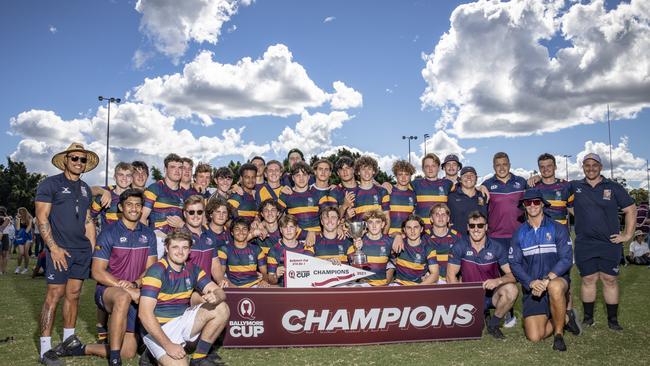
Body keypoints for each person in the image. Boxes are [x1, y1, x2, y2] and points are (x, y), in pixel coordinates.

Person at [35, 143, 99, 365]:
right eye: (74, 158)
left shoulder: (85, 189)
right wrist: (53, 248)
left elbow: (88, 220)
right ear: (65, 160)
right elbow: (41, 218)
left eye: (82, 159)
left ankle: (68, 342)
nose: (78, 163)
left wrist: (91, 249)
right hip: (59, 250)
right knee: (54, 295)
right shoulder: (50, 184)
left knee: (74, 295)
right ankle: (45, 350)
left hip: (81, 251)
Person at [83, 189, 158, 365]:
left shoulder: (148, 234)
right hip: (108, 290)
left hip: (134, 289)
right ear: (121, 207)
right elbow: (97, 272)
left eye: (138, 205)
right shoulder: (109, 232)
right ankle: (114, 359)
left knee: (129, 352)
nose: (134, 208)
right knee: (123, 297)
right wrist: (125, 287)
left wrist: (135, 283)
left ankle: (82, 348)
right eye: (129, 204)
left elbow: (151, 268)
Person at [139, 230, 230, 365]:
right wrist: (168, 345)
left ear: (190, 250)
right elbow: (144, 314)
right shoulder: (156, 271)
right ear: (166, 248)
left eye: (185, 247)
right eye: (175, 247)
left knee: (221, 308)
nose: (180, 252)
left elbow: (219, 291)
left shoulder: (193, 269)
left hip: (181, 321)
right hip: (159, 329)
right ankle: (151, 353)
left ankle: (198, 359)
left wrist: (216, 297)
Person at [569, 153, 636, 330]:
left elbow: (630, 209)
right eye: (587, 165)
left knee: (610, 279)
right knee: (588, 279)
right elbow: (556, 190)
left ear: (601, 167)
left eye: (594, 165)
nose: (591, 168)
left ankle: (613, 321)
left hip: (609, 244)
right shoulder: (575, 186)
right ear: (582, 167)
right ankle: (588, 318)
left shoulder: (613, 187)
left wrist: (627, 235)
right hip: (584, 243)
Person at [509, 189, 576, 351]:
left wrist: (547, 279)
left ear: (542, 204)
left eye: (536, 202)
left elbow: (567, 259)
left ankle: (559, 335)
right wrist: (531, 282)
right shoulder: (519, 233)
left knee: (555, 286)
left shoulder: (557, 228)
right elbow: (515, 264)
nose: (532, 205)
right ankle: (564, 317)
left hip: (554, 280)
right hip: (533, 288)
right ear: (524, 206)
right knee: (534, 336)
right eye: (528, 202)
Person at [447, 211, 518, 339]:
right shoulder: (460, 245)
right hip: (469, 296)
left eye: (480, 226)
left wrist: (498, 281)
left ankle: (493, 324)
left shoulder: (497, 247)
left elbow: (512, 275)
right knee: (473, 331)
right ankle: (481, 314)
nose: (476, 229)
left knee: (512, 290)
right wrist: (458, 300)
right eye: (472, 226)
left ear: (486, 227)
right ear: (468, 227)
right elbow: (451, 276)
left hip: (492, 295)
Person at [481, 151, 527, 328]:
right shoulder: (487, 185)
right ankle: (506, 313)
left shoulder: (521, 182)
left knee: (520, 274)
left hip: (518, 238)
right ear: (493, 166)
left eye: (504, 163)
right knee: (498, 276)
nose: (501, 167)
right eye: (498, 164)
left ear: (509, 164)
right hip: (496, 238)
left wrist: (535, 178)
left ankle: (531, 310)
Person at [278, 161, 336, 238]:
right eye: (298, 175)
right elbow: (275, 217)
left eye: (304, 175)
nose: (301, 178)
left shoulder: (318, 193)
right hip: (295, 240)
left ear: (309, 177)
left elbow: (328, 218)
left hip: (317, 239)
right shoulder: (286, 194)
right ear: (293, 178)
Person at [347, 209, 396, 286]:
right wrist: (356, 249)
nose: (374, 225)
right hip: (364, 286)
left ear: (383, 224)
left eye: (377, 222)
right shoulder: (358, 241)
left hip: (382, 286)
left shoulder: (390, 242)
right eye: (370, 222)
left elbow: (394, 263)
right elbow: (354, 273)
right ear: (366, 224)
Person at [141, 153, 186, 238]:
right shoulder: (154, 188)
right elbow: (142, 218)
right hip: (157, 240)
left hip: (177, 241)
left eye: (180, 168)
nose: (177, 171)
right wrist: (151, 237)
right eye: (173, 167)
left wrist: (182, 225)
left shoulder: (184, 193)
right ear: (165, 169)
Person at [216, 218, 269, 288]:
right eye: (237, 229)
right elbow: (221, 275)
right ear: (232, 233)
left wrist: (264, 281)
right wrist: (235, 288)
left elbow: (264, 273)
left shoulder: (256, 249)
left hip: (254, 286)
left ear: (248, 232)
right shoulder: (224, 250)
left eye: (244, 229)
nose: (241, 232)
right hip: (232, 286)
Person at [267, 215, 315, 287]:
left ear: (296, 229)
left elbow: (315, 271)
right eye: (285, 227)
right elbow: (271, 280)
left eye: (291, 227)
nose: (288, 230)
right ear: (280, 230)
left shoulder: (307, 247)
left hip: (305, 288)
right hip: (284, 291)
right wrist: (276, 275)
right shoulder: (274, 250)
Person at [411, 153, 453, 232]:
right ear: (423, 169)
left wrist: (480, 187)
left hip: (441, 231)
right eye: (427, 166)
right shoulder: (415, 184)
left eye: (433, 166)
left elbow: (465, 189)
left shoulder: (447, 184)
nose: (430, 169)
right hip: (421, 232)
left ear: (438, 168)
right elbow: (400, 187)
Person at [392, 215, 439, 285]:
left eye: (416, 227)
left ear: (421, 229)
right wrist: (397, 235)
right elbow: (387, 238)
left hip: (418, 286)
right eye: (409, 228)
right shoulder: (399, 243)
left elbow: (435, 274)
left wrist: (418, 288)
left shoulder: (428, 249)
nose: (412, 231)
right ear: (404, 230)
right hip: (399, 286)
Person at [183, 196, 221, 281]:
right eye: (191, 212)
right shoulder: (179, 236)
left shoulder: (210, 235)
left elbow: (215, 265)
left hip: (207, 288)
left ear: (203, 213)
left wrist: (221, 281)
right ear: (185, 214)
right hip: (186, 289)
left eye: (199, 212)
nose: (196, 216)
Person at [91, 162, 134, 228]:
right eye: (120, 175)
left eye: (128, 175)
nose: (124, 178)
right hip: (108, 237)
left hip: (131, 237)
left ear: (131, 179)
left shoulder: (137, 198)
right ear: (114, 177)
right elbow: (89, 218)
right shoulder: (105, 195)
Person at [447, 166, 487, 235]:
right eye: (465, 175)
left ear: (476, 179)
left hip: (478, 241)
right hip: (456, 241)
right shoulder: (451, 196)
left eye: (471, 175)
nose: (469, 177)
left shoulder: (484, 196)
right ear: (460, 179)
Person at [427, 203, 461, 284]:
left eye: (443, 214)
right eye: (437, 214)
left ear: (448, 218)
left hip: (450, 280)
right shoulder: (425, 236)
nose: (440, 217)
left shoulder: (457, 237)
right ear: (431, 219)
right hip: (431, 280)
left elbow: (463, 261)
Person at [387, 160, 416, 236]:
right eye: (400, 174)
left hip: (407, 236)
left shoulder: (413, 194)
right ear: (396, 176)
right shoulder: (388, 191)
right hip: (389, 235)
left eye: (406, 174)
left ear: (410, 176)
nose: (403, 177)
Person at [14, 206, 34, 274]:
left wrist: (24, 233)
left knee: (26, 253)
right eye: (19, 212)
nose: (20, 213)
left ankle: (26, 268)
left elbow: (28, 229)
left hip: (27, 236)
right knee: (21, 253)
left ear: (24, 212)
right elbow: (18, 229)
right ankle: (18, 267)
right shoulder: (17, 219)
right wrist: (18, 219)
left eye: (21, 212)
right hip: (20, 236)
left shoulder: (29, 218)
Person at [0, 206, 11, 275]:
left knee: (5, 254)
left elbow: (2, 227)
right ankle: (1, 270)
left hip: (5, 236)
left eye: (2, 212)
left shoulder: (7, 218)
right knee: (0, 254)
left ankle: (3, 270)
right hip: (2, 235)